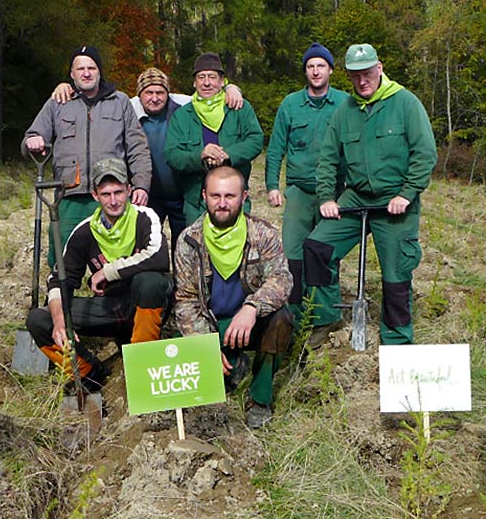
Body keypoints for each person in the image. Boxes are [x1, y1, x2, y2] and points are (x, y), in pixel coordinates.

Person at [303, 43, 437, 346]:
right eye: (355, 76)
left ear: (379, 69)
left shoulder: (405, 103)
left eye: (367, 74)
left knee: (396, 271)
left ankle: (397, 340)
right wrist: (327, 198)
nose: (362, 81)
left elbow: (425, 153)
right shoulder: (344, 112)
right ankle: (325, 319)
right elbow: (328, 159)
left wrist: (407, 193)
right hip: (357, 197)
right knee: (317, 247)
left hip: (395, 200)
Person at [49, 68, 245, 247]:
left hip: (182, 194)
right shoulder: (127, 107)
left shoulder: (184, 106)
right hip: (146, 195)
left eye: (160, 93)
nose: (154, 98)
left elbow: (208, 91)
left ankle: (183, 284)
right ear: (139, 94)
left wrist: (231, 88)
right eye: (148, 93)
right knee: (147, 243)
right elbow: (97, 98)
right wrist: (65, 85)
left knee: (186, 244)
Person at [25, 158, 171, 391]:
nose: (113, 201)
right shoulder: (84, 231)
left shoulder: (145, 217)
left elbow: (159, 257)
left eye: (118, 192)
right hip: (108, 309)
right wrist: (59, 318)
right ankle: (87, 371)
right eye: (106, 194)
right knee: (38, 319)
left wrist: (108, 271)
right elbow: (59, 280)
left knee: (151, 281)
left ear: (129, 190)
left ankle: (144, 364)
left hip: (142, 306)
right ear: (95, 196)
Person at [174, 166, 293, 428]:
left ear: (244, 197)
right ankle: (232, 364)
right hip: (212, 325)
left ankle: (260, 397)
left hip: (249, 323)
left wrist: (252, 307)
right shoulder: (188, 241)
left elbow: (282, 279)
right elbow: (186, 300)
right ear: (204, 196)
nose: (222, 204)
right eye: (215, 196)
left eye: (230, 196)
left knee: (282, 319)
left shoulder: (263, 233)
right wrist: (206, 347)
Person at [23, 46, 152, 266]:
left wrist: (141, 184)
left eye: (91, 67)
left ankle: (113, 298)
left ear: (99, 71)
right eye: (80, 68)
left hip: (111, 195)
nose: (86, 73)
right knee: (62, 260)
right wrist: (33, 141)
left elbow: (138, 148)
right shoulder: (58, 102)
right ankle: (60, 297)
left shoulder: (120, 102)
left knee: (118, 257)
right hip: (69, 196)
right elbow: (31, 138)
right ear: (72, 74)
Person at [264, 43, 350, 342]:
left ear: (330, 70)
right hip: (299, 191)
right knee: (294, 254)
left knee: (325, 252)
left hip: (335, 192)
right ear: (306, 71)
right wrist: (272, 185)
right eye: (311, 66)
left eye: (321, 66)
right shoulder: (290, 105)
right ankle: (297, 315)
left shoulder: (345, 103)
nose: (315, 71)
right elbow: (275, 148)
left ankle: (327, 317)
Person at [166, 53, 264, 225]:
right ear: (194, 82)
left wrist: (228, 155)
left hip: (235, 199)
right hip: (196, 203)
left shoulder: (239, 108)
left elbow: (255, 140)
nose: (206, 82)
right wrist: (200, 155)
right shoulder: (182, 116)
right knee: (197, 249)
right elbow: (172, 154)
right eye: (201, 77)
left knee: (238, 249)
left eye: (212, 77)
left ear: (222, 81)